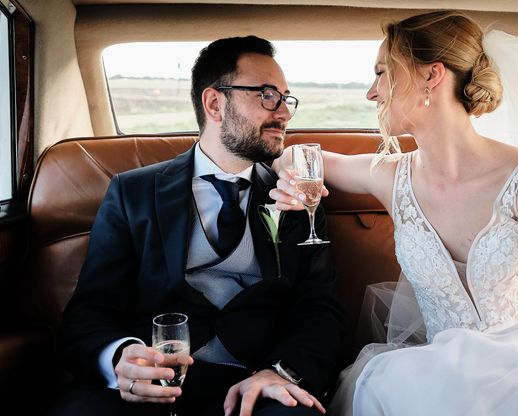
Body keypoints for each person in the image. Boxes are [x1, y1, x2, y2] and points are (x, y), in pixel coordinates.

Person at [270, 11, 518, 415]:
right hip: (440, 383)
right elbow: (294, 157)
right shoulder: (389, 177)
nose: (371, 93)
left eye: (381, 72)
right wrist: (290, 179)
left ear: (432, 76)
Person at [50, 36, 344, 416]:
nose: (285, 112)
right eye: (269, 95)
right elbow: (89, 311)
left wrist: (280, 372)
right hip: (149, 386)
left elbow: (320, 309)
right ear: (214, 103)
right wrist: (121, 357)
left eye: (287, 99)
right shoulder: (133, 192)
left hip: (254, 387)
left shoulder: (299, 195)